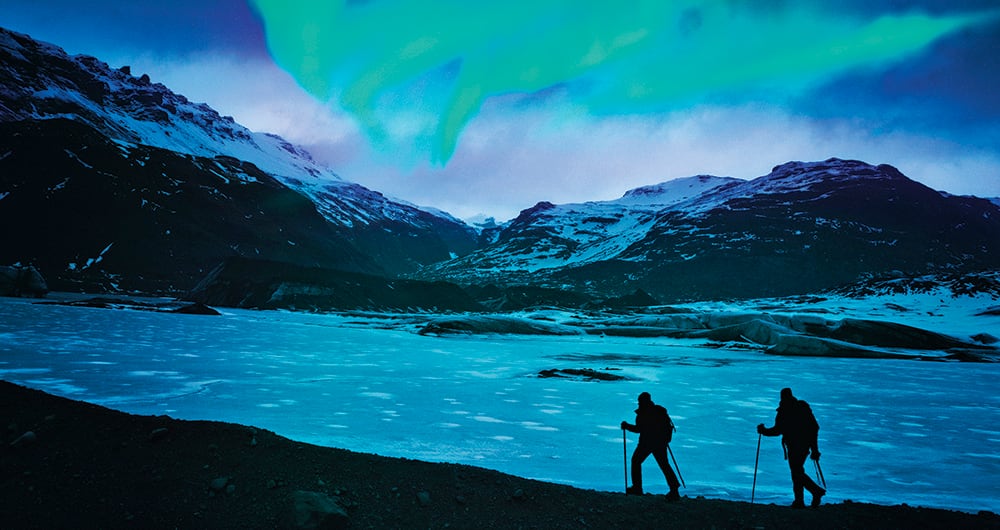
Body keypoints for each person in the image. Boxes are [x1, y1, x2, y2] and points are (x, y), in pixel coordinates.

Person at [757, 387, 826, 508]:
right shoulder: (803, 407)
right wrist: (814, 448)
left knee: (796, 471)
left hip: (794, 446)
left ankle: (813, 493)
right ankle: (801, 500)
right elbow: (814, 427)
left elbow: (777, 430)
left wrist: (763, 431)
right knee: (797, 471)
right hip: (805, 446)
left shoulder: (784, 410)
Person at [621, 392, 681, 501]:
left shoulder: (644, 412)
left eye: (640, 401)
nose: (639, 403)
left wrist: (626, 426)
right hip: (660, 443)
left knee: (636, 461)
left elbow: (639, 429)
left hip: (647, 443)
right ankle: (674, 489)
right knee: (664, 465)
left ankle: (637, 488)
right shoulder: (659, 411)